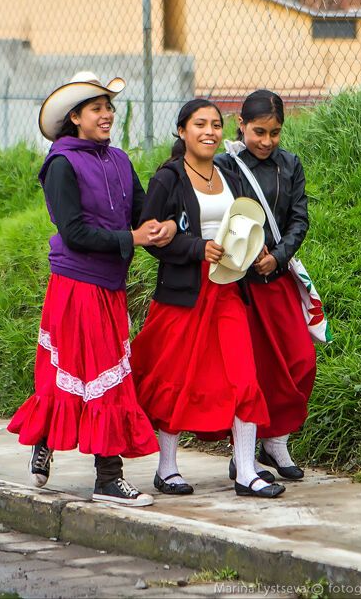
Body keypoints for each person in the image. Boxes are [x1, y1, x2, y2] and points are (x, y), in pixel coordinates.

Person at [7, 71, 176, 507]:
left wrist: (159, 227)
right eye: (97, 109)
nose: (107, 115)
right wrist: (131, 240)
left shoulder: (118, 159)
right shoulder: (61, 163)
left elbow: (139, 211)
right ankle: (107, 476)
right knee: (104, 378)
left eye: (109, 108)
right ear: (75, 117)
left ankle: (45, 436)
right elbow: (74, 232)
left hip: (110, 285)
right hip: (76, 284)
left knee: (89, 376)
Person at [130, 99, 285, 499]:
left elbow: (244, 223)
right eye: (200, 124)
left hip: (228, 287)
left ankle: (247, 471)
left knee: (242, 376)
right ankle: (166, 469)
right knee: (176, 377)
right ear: (182, 131)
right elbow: (150, 235)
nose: (210, 132)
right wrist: (195, 248)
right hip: (184, 291)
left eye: (216, 124)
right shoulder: (168, 177)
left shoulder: (227, 172)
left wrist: (256, 250)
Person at [216, 90, 315, 480]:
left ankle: (277, 441)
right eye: (259, 131)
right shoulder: (224, 166)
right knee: (252, 370)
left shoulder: (290, 164)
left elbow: (299, 219)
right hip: (238, 285)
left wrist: (279, 256)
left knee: (300, 361)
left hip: (277, 279)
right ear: (240, 125)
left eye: (275, 132)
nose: (267, 141)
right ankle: (246, 453)